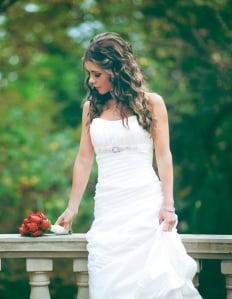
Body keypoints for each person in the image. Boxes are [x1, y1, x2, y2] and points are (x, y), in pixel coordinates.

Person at [56, 32, 202, 299]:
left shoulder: (152, 103)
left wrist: (168, 205)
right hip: (109, 208)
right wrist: (72, 208)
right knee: (110, 282)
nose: (91, 80)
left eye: (97, 74)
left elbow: (164, 156)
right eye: (89, 74)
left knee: (152, 281)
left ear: (116, 69)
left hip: (145, 206)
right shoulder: (91, 108)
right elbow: (84, 159)